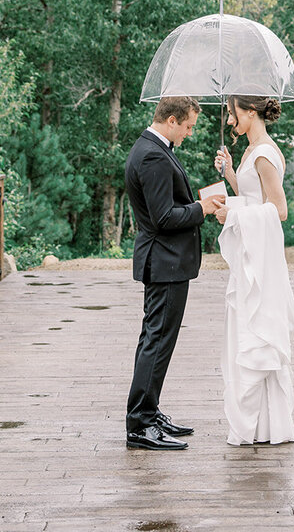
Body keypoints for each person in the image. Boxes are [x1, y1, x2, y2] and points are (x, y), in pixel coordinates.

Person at [124, 96, 225, 451]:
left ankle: (148, 412)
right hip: (164, 261)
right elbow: (163, 218)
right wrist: (201, 208)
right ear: (170, 120)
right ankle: (140, 424)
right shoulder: (151, 154)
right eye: (188, 126)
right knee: (157, 341)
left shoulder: (153, 147)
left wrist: (198, 202)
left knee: (155, 339)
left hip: (167, 262)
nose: (189, 133)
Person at [212, 95, 294, 446]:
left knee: (256, 330)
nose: (228, 120)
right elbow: (253, 198)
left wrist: (234, 215)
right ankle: (257, 424)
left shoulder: (265, 153)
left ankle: (261, 422)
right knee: (245, 330)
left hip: (263, 261)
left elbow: (278, 210)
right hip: (249, 256)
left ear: (250, 112)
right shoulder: (252, 151)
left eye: (231, 113)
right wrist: (230, 175)